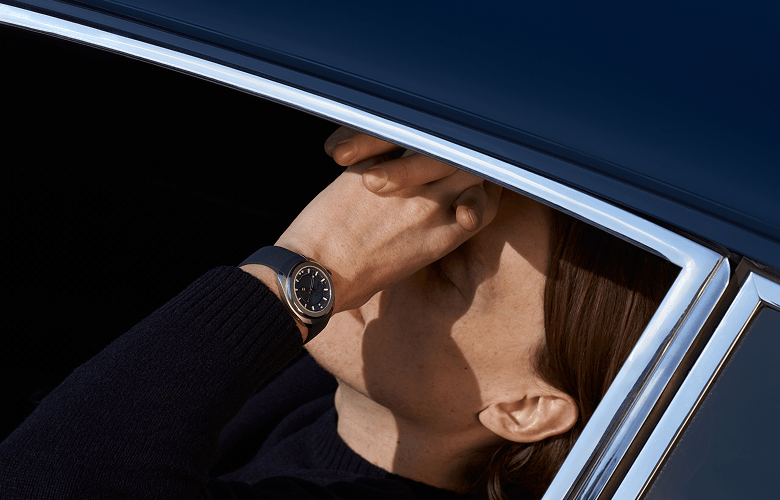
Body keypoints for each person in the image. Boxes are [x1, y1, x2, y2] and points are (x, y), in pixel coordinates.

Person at [0, 127, 677, 500]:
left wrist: (304, 270)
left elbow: (45, 481)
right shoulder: (331, 389)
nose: (386, 260)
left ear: (523, 408)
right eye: (428, 223)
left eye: (442, 265)